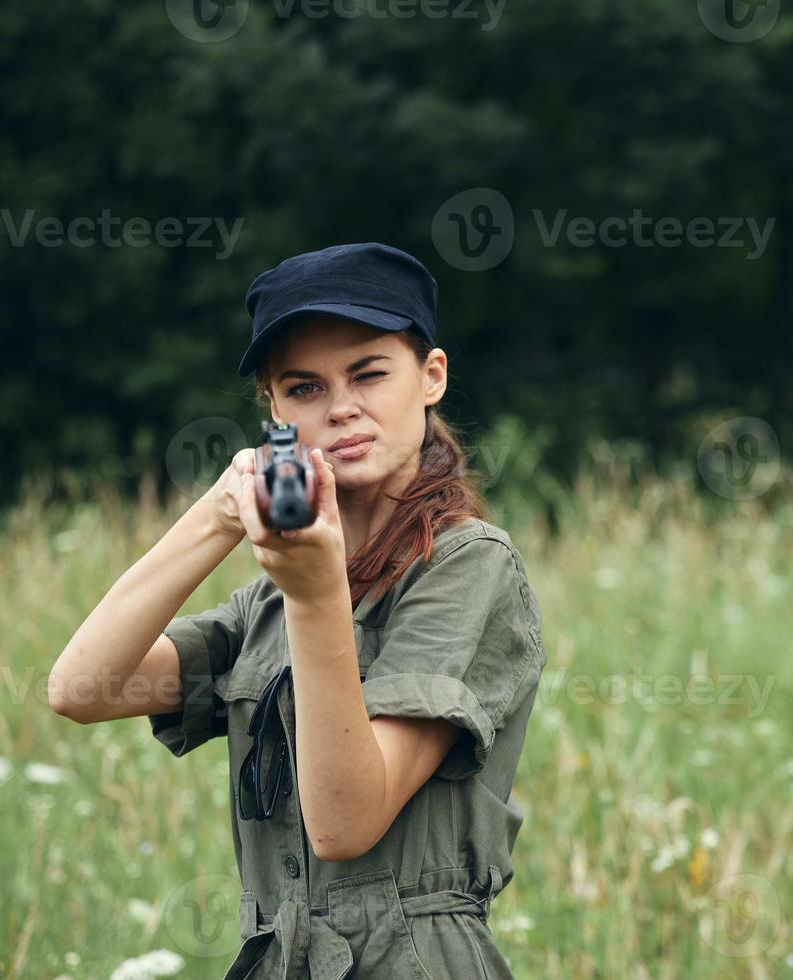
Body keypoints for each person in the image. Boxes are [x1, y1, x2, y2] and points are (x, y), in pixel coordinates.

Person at [49, 242, 547, 979]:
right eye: (304, 388)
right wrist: (220, 513)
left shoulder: (468, 564)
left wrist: (317, 597)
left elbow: (345, 824)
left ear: (431, 376)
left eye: (370, 373)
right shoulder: (273, 599)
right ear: (274, 413)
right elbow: (80, 689)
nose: (341, 406)